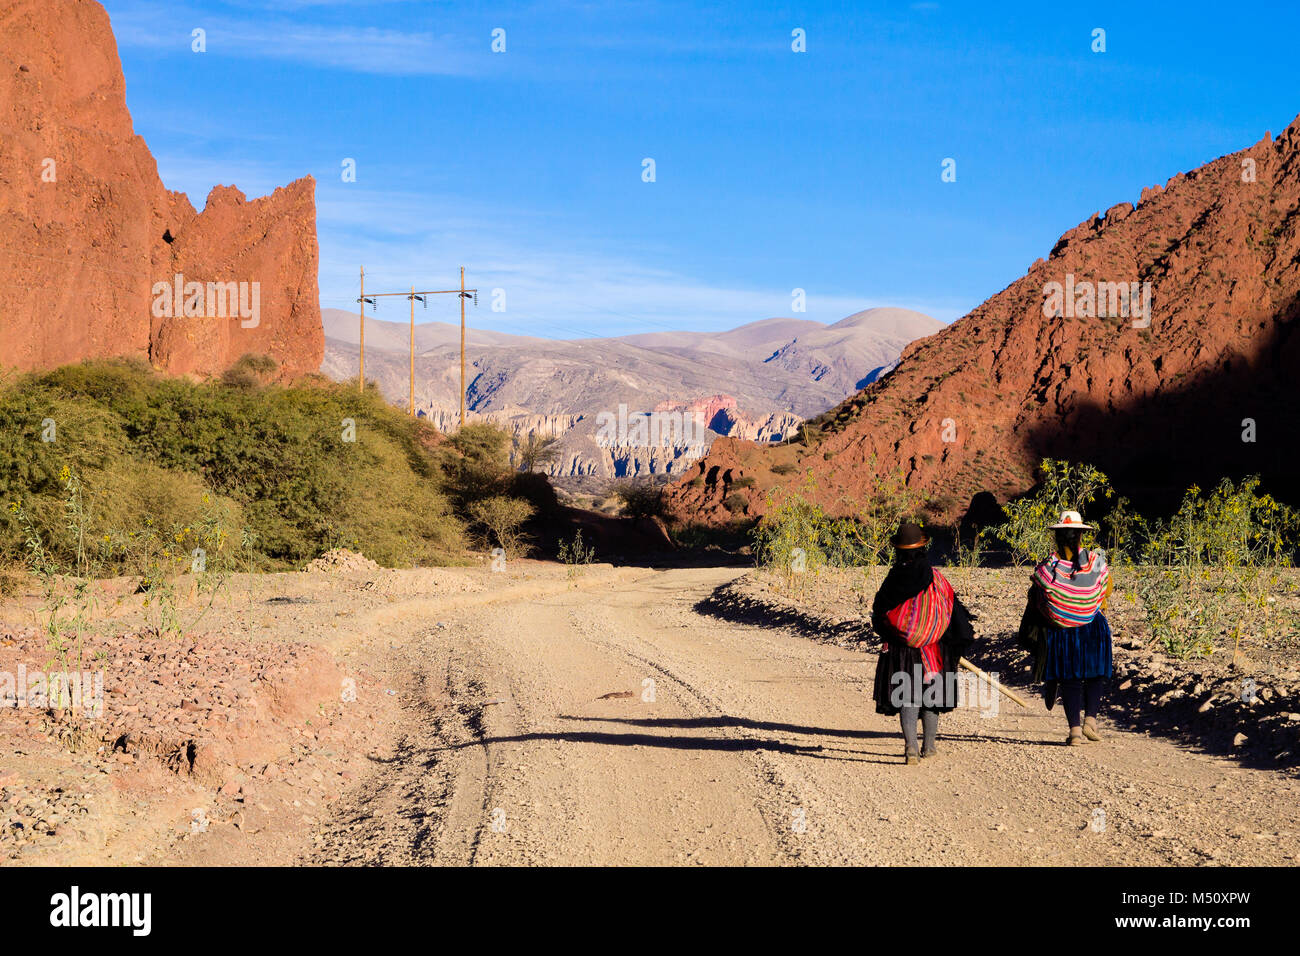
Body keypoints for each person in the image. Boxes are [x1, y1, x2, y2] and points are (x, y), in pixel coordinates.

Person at [871, 520, 975, 764]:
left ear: (898, 549)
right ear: (922, 547)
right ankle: (929, 747)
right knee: (931, 697)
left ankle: (911, 750)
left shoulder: (894, 577)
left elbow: (880, 611)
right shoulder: (936, 578)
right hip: (933, 649)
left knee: (908, 697)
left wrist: (891, 632)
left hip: (903, 649)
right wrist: (955, 640)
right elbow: (954, 612)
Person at [1020, 510, 1113, 746]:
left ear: (1057, 537)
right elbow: (1107, 589)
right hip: (1093, 626)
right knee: (1094, 675)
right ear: (1082, 535)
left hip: (1061, 630)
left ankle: (1074, 732)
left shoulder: (1048, 566)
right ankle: (1090, 720)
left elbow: (1036, 592)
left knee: (1069, 679)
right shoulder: (1096, 561)